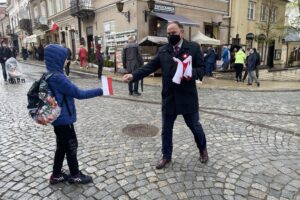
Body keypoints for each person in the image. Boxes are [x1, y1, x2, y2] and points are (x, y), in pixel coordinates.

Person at [123, 21, 208, 169]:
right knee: (166, 130)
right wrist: (133, 76)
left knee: (194, 126)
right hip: (169, 97)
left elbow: (202, 70)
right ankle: (166, 156)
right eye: (168, 34)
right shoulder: (163, 50)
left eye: (173, 33)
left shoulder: (193, 48)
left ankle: (203, 150)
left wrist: (189, 74)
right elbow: (149, 67)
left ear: (181, 32)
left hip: (187, 97)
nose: (170, 36)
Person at [43, 44, 103, 184]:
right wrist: (100, 91)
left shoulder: (49, 74)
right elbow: (79, 94)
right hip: (64, 120)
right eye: (65, 58)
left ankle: (56, 174)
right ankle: (75, 174)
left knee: (62, 147)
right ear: (58, 59)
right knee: (71, 146)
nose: (67, 60)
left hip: (58, 119)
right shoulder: (59, 77)